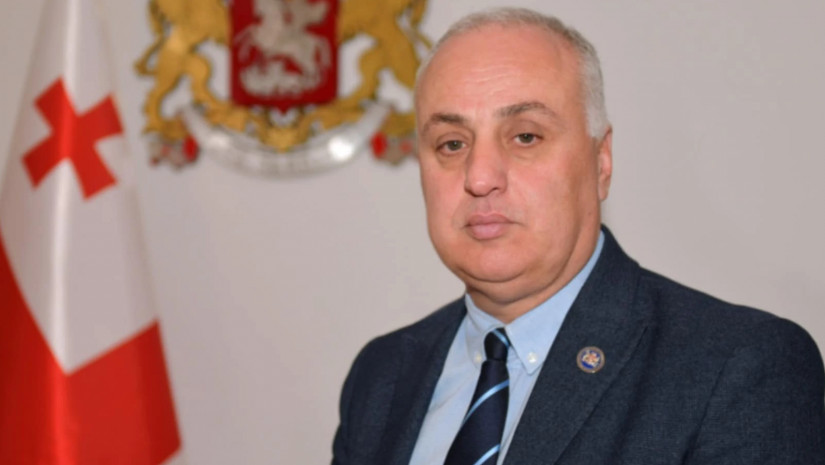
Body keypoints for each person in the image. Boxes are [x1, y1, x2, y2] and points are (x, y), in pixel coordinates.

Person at [331, 7, 825, 465]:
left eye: (526, 136)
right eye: (452, 143)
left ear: (600, 162)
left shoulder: (738, 368)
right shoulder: (382, 376)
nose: (479, 177)